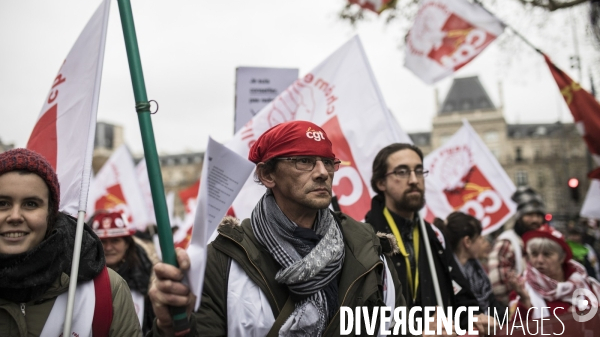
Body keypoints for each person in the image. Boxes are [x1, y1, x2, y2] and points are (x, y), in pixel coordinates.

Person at [148, 121, 405, 336]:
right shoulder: (224, 259)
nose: (322, 173)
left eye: (328, 162)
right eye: (304, 161)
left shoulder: (368, 249)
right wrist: (172, 326)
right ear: (268, 176)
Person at [0, 148, 141, 336]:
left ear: (51, 213)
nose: (15, 216)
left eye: (31, 204)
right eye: (2, 203)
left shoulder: (105, 290)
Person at [365, 143, 479, 330]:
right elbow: (359, 318)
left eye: (419, 171)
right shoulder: (364, 238)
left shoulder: (435, 236)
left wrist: (473, 317)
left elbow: (460, 294)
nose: (413, 180)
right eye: (401, 172)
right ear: (380, 183)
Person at [508, 224, 600, 320]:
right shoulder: (522, 289)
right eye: (534, 254)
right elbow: (516, 330)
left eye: (547, 254)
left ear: (562, 257)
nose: (539, 260)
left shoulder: (585, 284)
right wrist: (525, 303)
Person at [89, 210, 156, 334]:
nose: (108, 248)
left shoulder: (148, 277)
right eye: (103, 241)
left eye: (115, 240)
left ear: (127, 244)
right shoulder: (81, 277)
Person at [434, 213, 506, 315]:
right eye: (479, 237)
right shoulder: (448, 274)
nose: (483, 241)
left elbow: (492, 303)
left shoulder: (476, 269)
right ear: (467, 241)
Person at [488, 186, 545, 305]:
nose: (535, 220)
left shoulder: (544, 241)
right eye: (529, 215)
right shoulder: (507, 242)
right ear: (519, 217)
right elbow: (499, 287)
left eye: (538, 215)